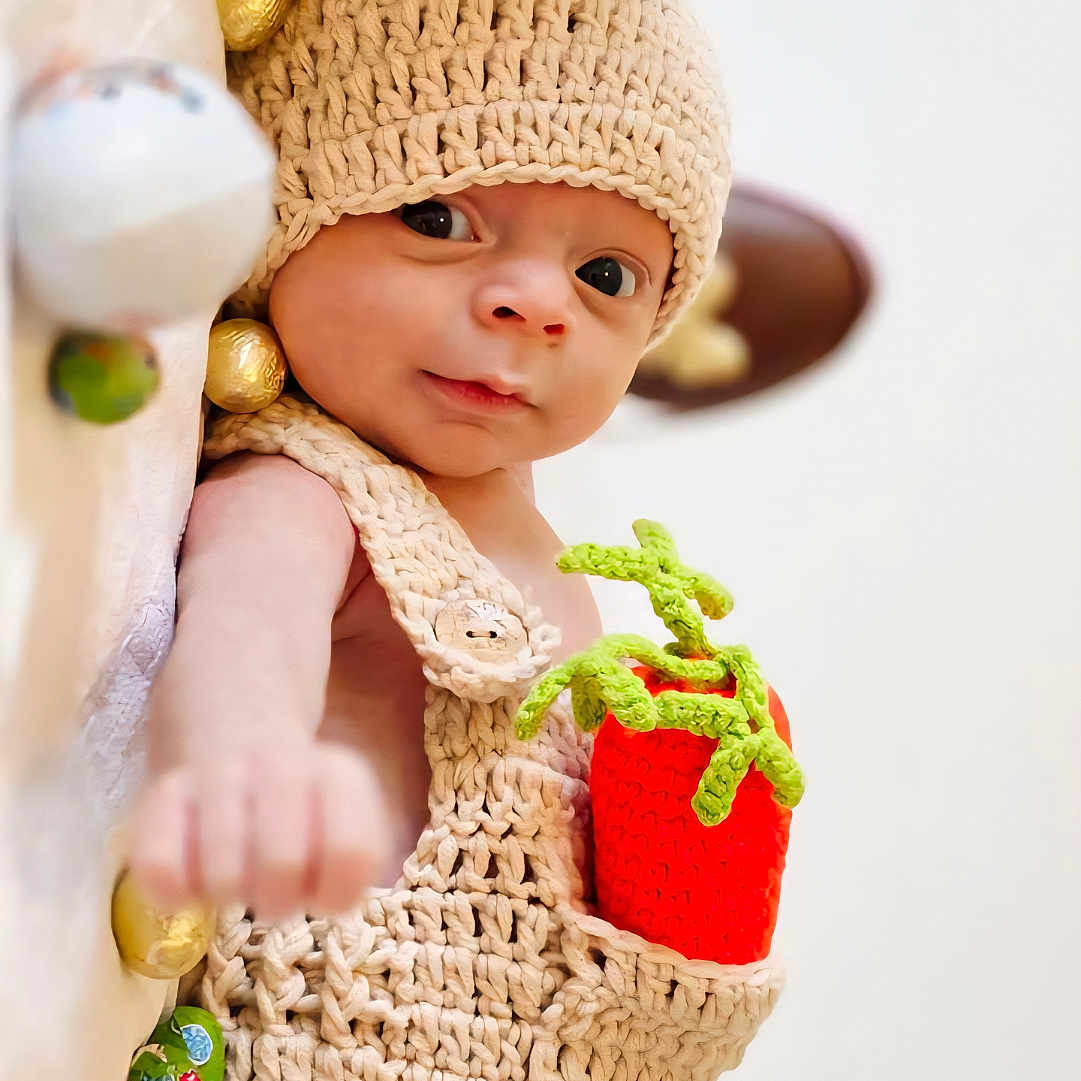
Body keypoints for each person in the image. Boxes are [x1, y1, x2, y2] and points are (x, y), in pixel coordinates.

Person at [130, 3, 785, 1078]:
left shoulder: (552, 552)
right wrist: (242, 768)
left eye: (605, 276)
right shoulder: (303, 487)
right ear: (288, 223)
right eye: (440, 220)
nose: (534, 305)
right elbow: (244, 628)